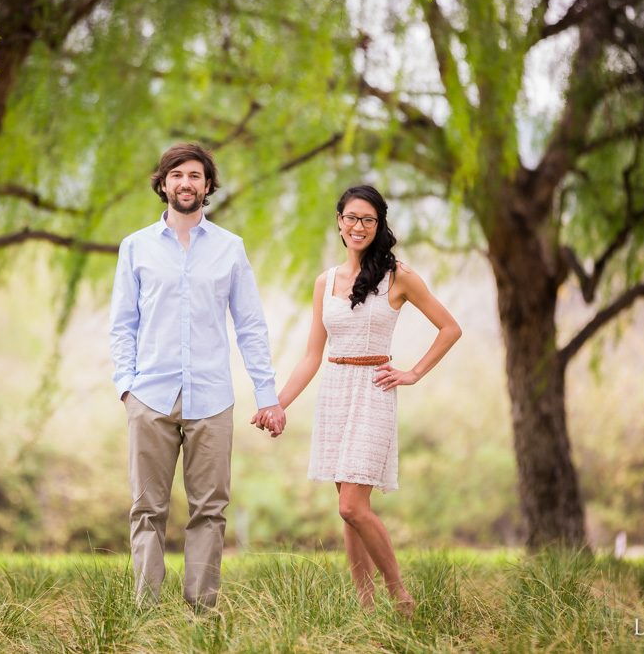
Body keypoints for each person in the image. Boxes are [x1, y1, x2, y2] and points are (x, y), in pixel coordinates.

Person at [253, 184, 461, 614]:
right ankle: (365, 610)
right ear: (339, 221)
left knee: (352, 505)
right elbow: (313, 355)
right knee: (347, 508)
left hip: (374, 390)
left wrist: (413, 373)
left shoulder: (398, 276)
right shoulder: (325, 282)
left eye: (368, 219)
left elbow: (449, 328)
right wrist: (277, 403)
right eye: (351, 217)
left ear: (379, 223)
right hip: (334, 391)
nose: (358, 226)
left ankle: (401, 597)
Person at [109, 142, 286, 610]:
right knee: (147, 510)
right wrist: (126, 386)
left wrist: (267, 396)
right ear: (163, 183)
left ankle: (201, 612)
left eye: (195, 176)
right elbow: (122, 323)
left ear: (208, 186)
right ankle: (146, 610)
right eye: (176, 174)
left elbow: (250, 325)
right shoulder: (136, 248)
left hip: (212, 398)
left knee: (210, 511)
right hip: (149, 396)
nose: (185, 183)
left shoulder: (230, 248)